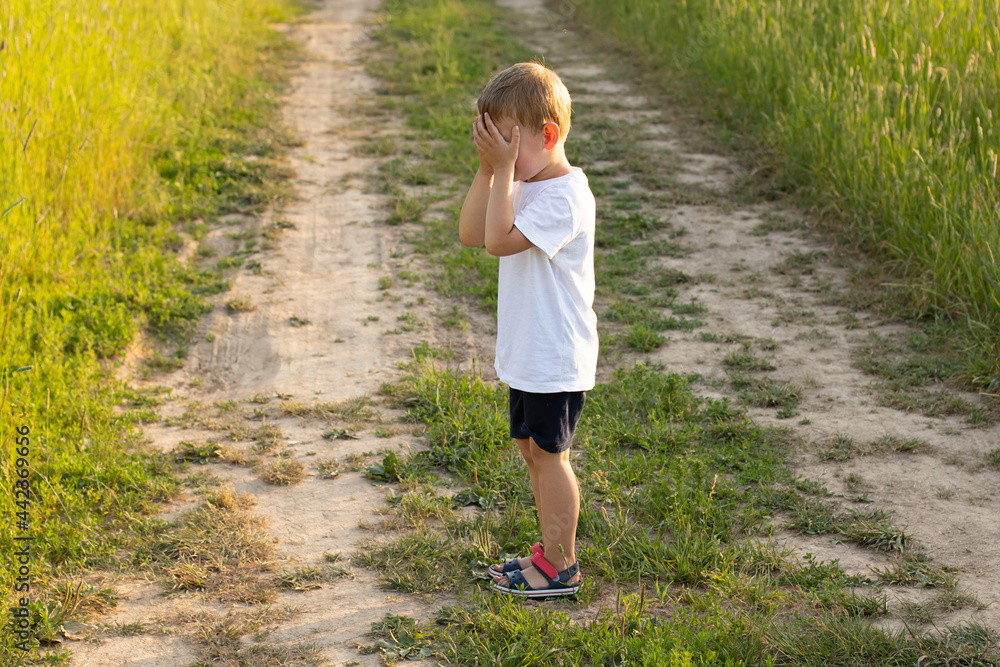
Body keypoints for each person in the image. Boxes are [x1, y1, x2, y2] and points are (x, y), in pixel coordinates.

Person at [458, 62, 598, 598]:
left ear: (549, 135)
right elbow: (473, 232)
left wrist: (503, 174)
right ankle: (548, 550)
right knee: (532, 450)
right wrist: (489, 170)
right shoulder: (522, 182)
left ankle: (561, 566)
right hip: (528, 350)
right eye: (493, 142)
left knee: (551, 455)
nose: (504, 158)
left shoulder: (564, 197)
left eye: (510, 145)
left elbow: (498, 241)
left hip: (554, 353)